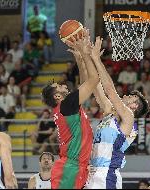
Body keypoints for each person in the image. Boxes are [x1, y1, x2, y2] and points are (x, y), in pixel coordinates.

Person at [67, 36, 149, 189]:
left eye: (131, 97)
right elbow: (92, 84)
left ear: (134, 107)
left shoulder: (129, 118)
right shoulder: (109, 112)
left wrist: (96, 58)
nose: (126, 95)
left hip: (107, 174)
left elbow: (110, 91)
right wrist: (82, 57)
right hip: (92, 171)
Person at [41, 29, 99, 189]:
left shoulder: (67, 107)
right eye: (58, 86)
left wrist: (80, 59)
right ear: (57, 97)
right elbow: (94, 80)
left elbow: (84, 83)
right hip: (70, 168)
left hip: (75, 167)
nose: (63, 85)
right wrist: (86, 53)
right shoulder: (66, 105)